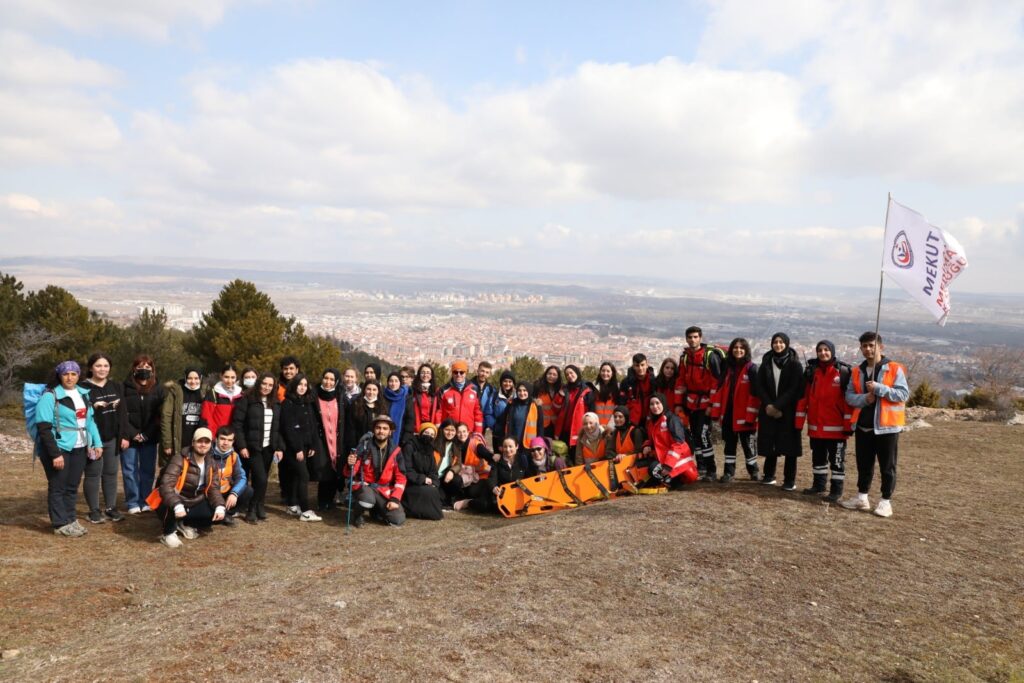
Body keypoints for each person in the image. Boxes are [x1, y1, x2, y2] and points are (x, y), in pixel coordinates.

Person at [840, 332, 909, 518]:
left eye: (871, 345)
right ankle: (862, 497)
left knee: (887, 466)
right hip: (863, 427)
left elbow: (903, 394)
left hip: (886, 427)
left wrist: (880, 388)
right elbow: (849, 397)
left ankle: (885, 502)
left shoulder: (894, 369)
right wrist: (865, 398)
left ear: (881, 346)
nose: (868, 349)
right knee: (864, 465)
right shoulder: (857, 371)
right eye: (865, 346)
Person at [36, 360, 104, 536]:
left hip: (80, 446)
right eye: (66, 373)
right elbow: (43, 428)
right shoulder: (50, 396)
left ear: (79, 375)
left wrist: (97, 442)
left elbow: (90, 421)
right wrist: (55, 454)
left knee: (72, 486)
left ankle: (70, 519)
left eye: (74, 374)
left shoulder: (83, 394)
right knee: (58, 485)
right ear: (59, 375)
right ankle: (59, 523)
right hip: (59, 448)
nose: (70, 377)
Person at [148, 427, 226, 548]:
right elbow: (166, 486)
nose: (203, 445)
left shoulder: (212, 463)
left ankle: (183, 523)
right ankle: (168, 533)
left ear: (211, 444)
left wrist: (220, 506)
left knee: (216, 515)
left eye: (207, 442)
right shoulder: (179, 459)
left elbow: (213, 488)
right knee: (170, 502)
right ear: (193, 443)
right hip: (172, 500)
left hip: (193, 501)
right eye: (200, 441)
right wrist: (177, 505)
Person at [799, 340, 852, 502]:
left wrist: (848, 425)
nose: (823, 353)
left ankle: (836, 490)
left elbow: (848, 402)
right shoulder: (811, 372)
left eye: (826, 350)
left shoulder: (842, 372)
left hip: (837, 430)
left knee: (836, 462)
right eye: (820, 350)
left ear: (832, 352)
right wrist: (799, 422)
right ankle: (819, 486)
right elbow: (804, 398)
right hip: (816, 427)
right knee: (818, 459)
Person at [79, 352, 125, 523]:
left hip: (112, 437)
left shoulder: (116, 386)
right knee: (93, 474)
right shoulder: (83, 387)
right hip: (92, 439)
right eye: (98, 365)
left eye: (106, 366)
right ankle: (94, 510)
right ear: (91, 367)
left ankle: (111, 508)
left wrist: (124, 436)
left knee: (111, 473)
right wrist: (92, 405)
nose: (102, 369)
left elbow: (123, 413)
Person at [755, 333, 804, 490]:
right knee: (770, 443)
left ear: (787, 344)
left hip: (788, 411)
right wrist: (769, 405)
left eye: (781, 342)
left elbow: (795, 388)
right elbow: (759, 386)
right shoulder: (766, 362)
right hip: (768, 410)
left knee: (790, 446)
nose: (778, 345)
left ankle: (789, 481)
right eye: (775, 342)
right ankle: (769, 475)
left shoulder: (795, 364)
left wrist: (778, 406)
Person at [231, 371, 282, 523]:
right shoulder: (247, 399)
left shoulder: (276, 402)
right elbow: (237, 424)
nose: (266, 387)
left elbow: (278, 427)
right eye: (264, 384)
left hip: (268, 446)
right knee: (260, 478)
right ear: (259, 383)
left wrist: (279, 447)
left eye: (270, 385)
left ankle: (260, 505)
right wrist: (242, 446)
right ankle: (251, 509)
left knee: (263, 478)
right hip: (252, 447)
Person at [709, 338, 760, 483]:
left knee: (748, 446)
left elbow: (756, 395)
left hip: (745, 415)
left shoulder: (752, 368)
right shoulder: (727, 368)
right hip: (728, 414)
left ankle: (754, 471)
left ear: (746, 350)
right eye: (735, 347)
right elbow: (719, 391)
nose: (738, 350)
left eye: (741, 348)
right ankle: (728, 473)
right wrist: (715, 413)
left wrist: (751, 416)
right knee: (729, 446)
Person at [678, 326, 725, 481]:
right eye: (690, 337)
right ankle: (701, 468)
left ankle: (711, 470)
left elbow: (716, 384)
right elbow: (681, 381)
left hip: (705, 404)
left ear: (701, 338)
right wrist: (679, 404)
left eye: (695, 337)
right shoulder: (685, 357)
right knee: (696, 436)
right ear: (686, 339)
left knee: (703, 435)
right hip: (691, 404)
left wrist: (712, 406)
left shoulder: (709, 357)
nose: (692, 340)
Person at [121, 354, 165, 514]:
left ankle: (145, 500)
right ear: (134, 369)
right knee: (129, 470)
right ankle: (132, 501)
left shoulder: (159, 389)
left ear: (152, 370)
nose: (144, 370)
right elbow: (122, 413)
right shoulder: (124, 388)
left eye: (147, 367)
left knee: (147, 471)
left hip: (150, 437)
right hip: (129, 437)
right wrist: (132, 434)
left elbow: (159, 416)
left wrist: (146, 434)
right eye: (140, 366)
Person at [345, 415, 407, 527]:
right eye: (378, 428)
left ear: (390, 432)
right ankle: (357, 515)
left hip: (383, 490)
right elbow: (350, 473)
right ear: (374, 429)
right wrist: (350, 465)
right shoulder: (363, 447)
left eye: (385, 428)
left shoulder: (396, 451)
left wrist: (394, 499)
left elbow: (401, 478)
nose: (381, 431)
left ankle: (376, 511)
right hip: (364, 487)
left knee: (397, 520)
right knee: (367, 500)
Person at [279, 373, 323, 521]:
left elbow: (311, 426)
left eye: (305, 385)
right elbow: (289, 428)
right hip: (293, 448)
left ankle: (292, 504)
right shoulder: (287, 403)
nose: (302, 388)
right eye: (300, 384)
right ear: (294, 385)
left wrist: (312, 444)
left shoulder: (306, 402)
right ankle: (306, 510)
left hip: (305, 445)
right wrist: (297, 448)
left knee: (297, 476)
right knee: (304, 475)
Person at [642, 393, 697, 488]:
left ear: (663, 403)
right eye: (652, 404)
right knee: (652, 469)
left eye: (657, 403)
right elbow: (652, 440)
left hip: (677, 460)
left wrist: (668, 466)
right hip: (663, 459)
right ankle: (668, 480)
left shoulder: (672, 419)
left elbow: (678, 444)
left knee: (691, 477)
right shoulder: (652, 422)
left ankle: (672, 479)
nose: (655, 406)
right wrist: (647, 445)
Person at [454, 437, 522, 514]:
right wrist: (493, 488)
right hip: (500, 492)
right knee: (485, 506)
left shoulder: (522, 460)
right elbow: (492, 478)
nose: (508, 449)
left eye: (510, 446)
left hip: (516, 492)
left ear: (517, 447)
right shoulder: (497, 461)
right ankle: (468, 502)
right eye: (505, 447)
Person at [314, 368, 346, 512]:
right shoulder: (314, 396)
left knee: (335, 470)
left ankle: (330, 499)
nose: (328, 382)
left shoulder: (339, 397)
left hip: (336, 439)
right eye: (326, 378)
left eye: (332, 379)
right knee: (324, 470)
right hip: (322, 439)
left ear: (336, 382)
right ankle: (322, 501)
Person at [161, 367, 206, 470]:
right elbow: (166, 417)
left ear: (201, 378)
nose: (193, 381)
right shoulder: (176, 391)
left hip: (197, 440)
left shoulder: (205, 392)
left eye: (196, 378)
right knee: (173, 472)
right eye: (190, 378)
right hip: (179, 440)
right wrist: (167, 443)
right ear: (185, 378)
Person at [209, 425, 252, 525]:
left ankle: (226, 513)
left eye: (229, 440)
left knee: (248, 491)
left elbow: (241, 477)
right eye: (222, 439)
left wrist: (234, 493)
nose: (225, 443)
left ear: (233, 442)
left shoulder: (234, 456)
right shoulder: (207, 454)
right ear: (216, 439)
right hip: (210, 493)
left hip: (225, 491)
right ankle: (216, 514)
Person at [401, 422, 444, 520]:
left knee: (435, 491)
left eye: (432, 435)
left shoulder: (430, 450)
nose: (429, 436)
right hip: (410, 483)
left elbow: (433, 471)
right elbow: (407, 469)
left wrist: (434, 482)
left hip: (425, 483)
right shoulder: (410, 446)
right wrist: (422, 479)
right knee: (429, 492)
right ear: (421, 432)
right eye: (427, 433)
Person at [200, 362, 245, 440]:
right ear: (221, 376)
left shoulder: (241, 394)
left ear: (236, 377)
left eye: (232, 377)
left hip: (235, 438)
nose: (229, 380)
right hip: (218, 438)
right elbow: (206, 417)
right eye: (226, 377)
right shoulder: (213, 393)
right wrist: (213, 436)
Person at [437, 360, 484, 434]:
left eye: (462, 372)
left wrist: (478, 432)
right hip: (450, 432)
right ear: (452, 373)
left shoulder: (474, 390)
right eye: (455, 372)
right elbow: (439, 412)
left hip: (467, 432)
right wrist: (438, 430)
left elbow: (478, 412)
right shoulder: (444, 390)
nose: (458, 374)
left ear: (466, 373)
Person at [555, 364, 596, 446]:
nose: (569, 376)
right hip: (564, 430)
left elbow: (591, 412)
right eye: (567, 375)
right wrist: (559, 396)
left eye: (571, 373)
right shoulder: (564, 389)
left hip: (579, 430)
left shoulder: (587, 390)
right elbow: (555, 408)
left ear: (577, 372)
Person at [345, 379, 389, 455]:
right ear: (364, 390)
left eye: (374, 390)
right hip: (358, 447)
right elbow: (350, 429)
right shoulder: (356, 405)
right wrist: (353, 449)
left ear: (378, 391)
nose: (371, 392)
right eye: (368, 389)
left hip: (377, 448)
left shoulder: (382, 407)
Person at [433, 419, 465, 505]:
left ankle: (451, 497)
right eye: (447, 429)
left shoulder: (456, 445)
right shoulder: (435, 442)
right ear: (442, 429)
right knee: (438, 500)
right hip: (433, 477)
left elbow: (458, 464)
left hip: (445, 478)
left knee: (457, 480)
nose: (450, 433)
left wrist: (452, 471)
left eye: (453, 430)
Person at [620, 353, 654, 426]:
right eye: (637, 366)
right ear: (633, 366)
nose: (640, 368)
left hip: (650, 419)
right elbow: (622, 402)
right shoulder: (626, 383)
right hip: (632, 421)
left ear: (647, 365)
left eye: (642, 365)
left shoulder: (653, 381)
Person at [383, 371, 415, 449]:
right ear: (387, 382)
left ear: (400, 383)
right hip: (383, 436)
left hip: (401, 438)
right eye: (391, 381)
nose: (393, 384)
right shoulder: (383, 396)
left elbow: (410, 419)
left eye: (396, 381)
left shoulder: (406, 397)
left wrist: (405, 439)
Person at [533, 365, 565, 438]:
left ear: (558, 377)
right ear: (545, 374)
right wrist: (535, 401)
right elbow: (531, 397)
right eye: (549, 374)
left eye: (554, 375)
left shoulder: (561, 388)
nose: (551, 376)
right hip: (541, 423)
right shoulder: (538, 386)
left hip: (555, 424)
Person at [471, 361, 497, 437]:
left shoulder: (492, 389)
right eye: (482, 371)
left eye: (487, 372)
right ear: (477, 371)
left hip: (482, 425)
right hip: (468, 423)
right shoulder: (468, 386)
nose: (484, 374)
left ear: (489, 374)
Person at [411, 363, 440, 431]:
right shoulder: (413, 390)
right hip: (416, 425)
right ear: (419, 375)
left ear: (431, 375)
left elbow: (439, 408)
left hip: (431, 426)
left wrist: (437, 421)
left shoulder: (436, 391)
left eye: (428, 373)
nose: (425, 375)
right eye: (423, 373)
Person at [491, 370, 516, 445]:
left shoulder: (517, 396)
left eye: (510, 381)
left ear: (513, 383)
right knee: (498, 455)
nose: (507, 384)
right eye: (505, 381)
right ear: (501, 382)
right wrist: (494, 426)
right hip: (498, 433)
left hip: (513, 432)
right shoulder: (495, 396)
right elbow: (488, 412)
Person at [593, 362, 620, 427]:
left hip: (612, 426)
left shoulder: (618, 388)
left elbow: (618, 409)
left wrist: (610, 426)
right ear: (600, 372)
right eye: (603, 371)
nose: (605, 373)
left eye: (608, 371)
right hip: (596, 426)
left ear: (612, 373)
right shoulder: (593, 387)